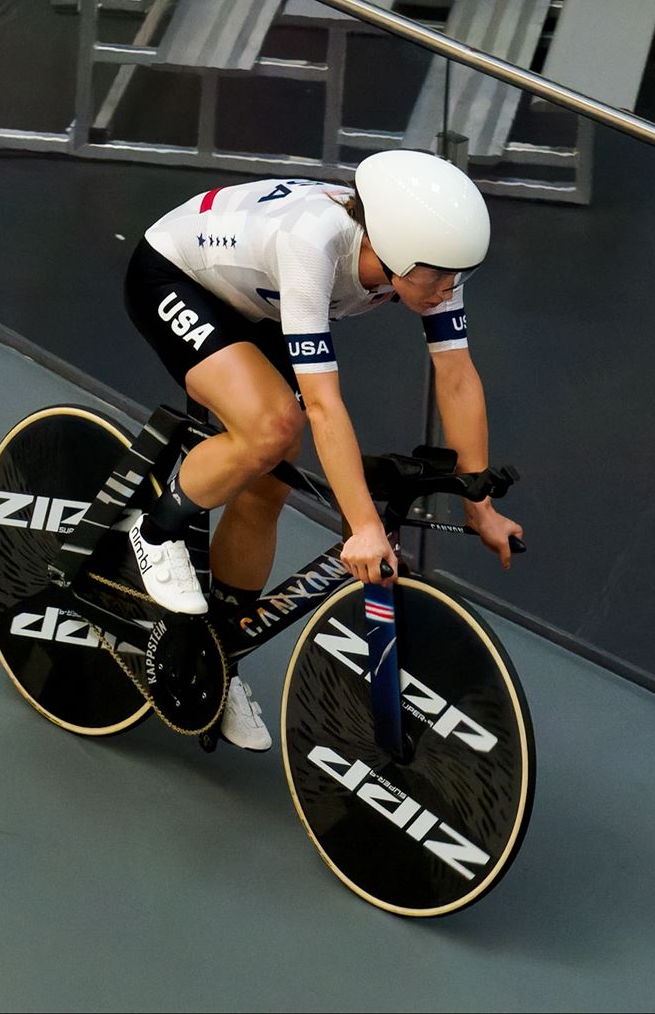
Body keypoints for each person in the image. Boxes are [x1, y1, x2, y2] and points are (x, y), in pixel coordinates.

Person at [122, 149, 524, 752]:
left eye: (459, 277)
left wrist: (480, 506)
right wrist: (363, 527)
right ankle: (156, 530)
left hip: (259, 301)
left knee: (271, 481)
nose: (448, 290)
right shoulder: (314, 244)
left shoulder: (425, 263)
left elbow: (458, 377)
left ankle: (217, 655)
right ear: (391, 247)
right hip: (176, 275)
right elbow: (324, 405)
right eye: (439, 276)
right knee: (273, 428)